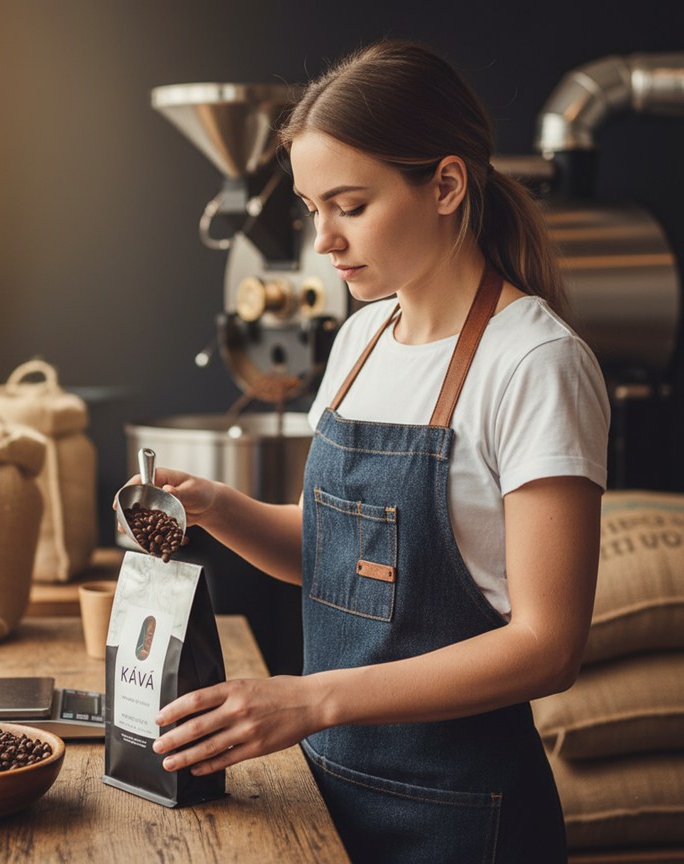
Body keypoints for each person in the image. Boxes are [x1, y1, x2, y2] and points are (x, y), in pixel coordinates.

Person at [122, 39, 610, 863]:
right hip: (331, 792)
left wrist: (310, 701)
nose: (324, 241)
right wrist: (214, 507)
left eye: (349, 205)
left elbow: (547, 646)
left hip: (462, 817)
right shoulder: (360, 341)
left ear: (447, 184)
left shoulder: (534, 363)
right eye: (312, 209)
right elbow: (345, 561)